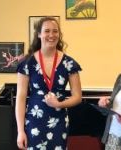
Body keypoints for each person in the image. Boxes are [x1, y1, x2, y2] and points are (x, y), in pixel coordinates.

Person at [15, 17, 82, 150]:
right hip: (34, 121)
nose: (51, 35)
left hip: (59, 121)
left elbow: (77, 97)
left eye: (55, 31)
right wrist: (20, 131)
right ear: (39, 34)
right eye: (47, 31)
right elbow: (21, 98)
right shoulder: (27, 63)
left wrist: (60, 104)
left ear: (59, 34)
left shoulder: (69, 63)